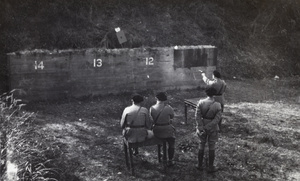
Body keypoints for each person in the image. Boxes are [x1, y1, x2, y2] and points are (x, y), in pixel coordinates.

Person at [195, 87, 222, 173]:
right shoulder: (218, 105)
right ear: (214, 94)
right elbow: (217, 119)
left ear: (206, 93)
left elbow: (197, 116)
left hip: (202, 125)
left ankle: (199, 165)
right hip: (212, 127)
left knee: (201, 145)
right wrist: (208, 126)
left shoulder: (201, 102)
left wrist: (201, 127)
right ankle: (210, 167)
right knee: (212, 146)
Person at [150, 92, 175, 166]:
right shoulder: (169, 108)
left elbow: (152, 119)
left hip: (157, 130)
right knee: (171, 141)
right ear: (165, 99)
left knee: (161, 139)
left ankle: (161, 152)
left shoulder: (152, 108)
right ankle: (170, 160)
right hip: (167, 129)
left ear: (156, 98)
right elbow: (172, 117)